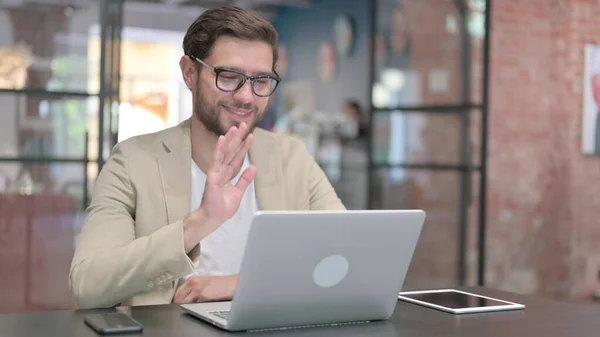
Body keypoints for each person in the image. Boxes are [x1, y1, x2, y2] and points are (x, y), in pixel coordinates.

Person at [69, 6, 345, 309]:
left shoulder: (292, 157)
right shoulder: (132, 162)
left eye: (261, 81)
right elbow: (88, 284)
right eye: (228, 77)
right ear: (190, 72)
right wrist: (200, 222)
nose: (246, 96)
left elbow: (345, 260)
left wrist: (234, 285)